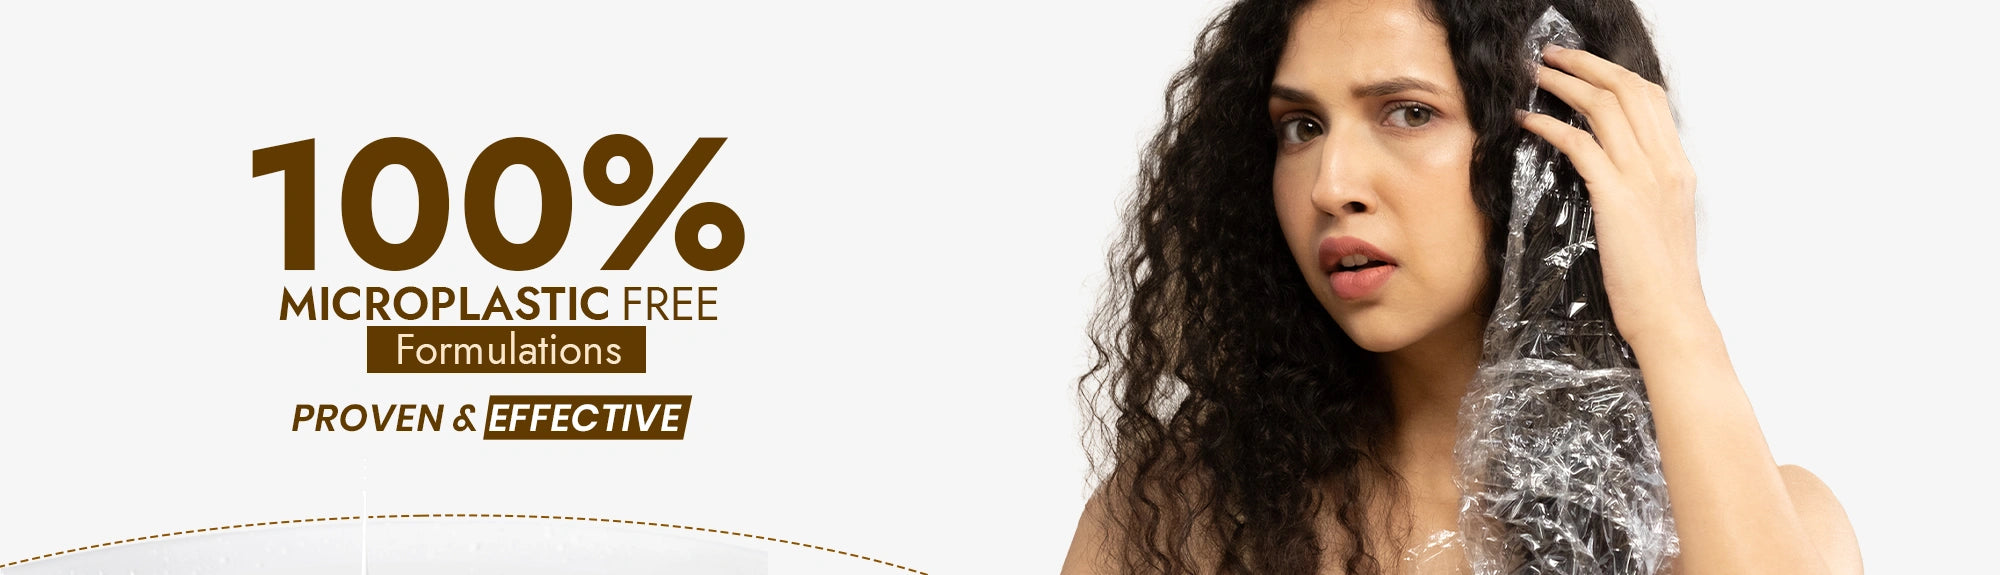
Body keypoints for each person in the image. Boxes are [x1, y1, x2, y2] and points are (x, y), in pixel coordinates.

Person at [1060, 0, 1862, 573]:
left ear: (1551, 149)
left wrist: (1671, 310)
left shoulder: (1760, 521)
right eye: (1301, 127)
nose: (1331, 185)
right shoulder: (1172, 520)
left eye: (1408, 113)